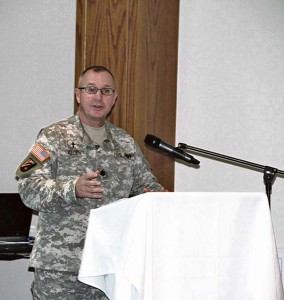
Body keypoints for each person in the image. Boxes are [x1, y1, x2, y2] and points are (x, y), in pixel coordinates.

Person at [16, 65, 166, 300]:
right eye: (91, 89)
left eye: (106, 91)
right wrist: (72, 188)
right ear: (78, 95)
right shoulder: (52, 136)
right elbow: (28, 188)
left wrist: (155, 195)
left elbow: (148, 186)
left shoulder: (125, 142)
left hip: (111, 265)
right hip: (62, 268)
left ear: (114, 98)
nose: (98, 97)